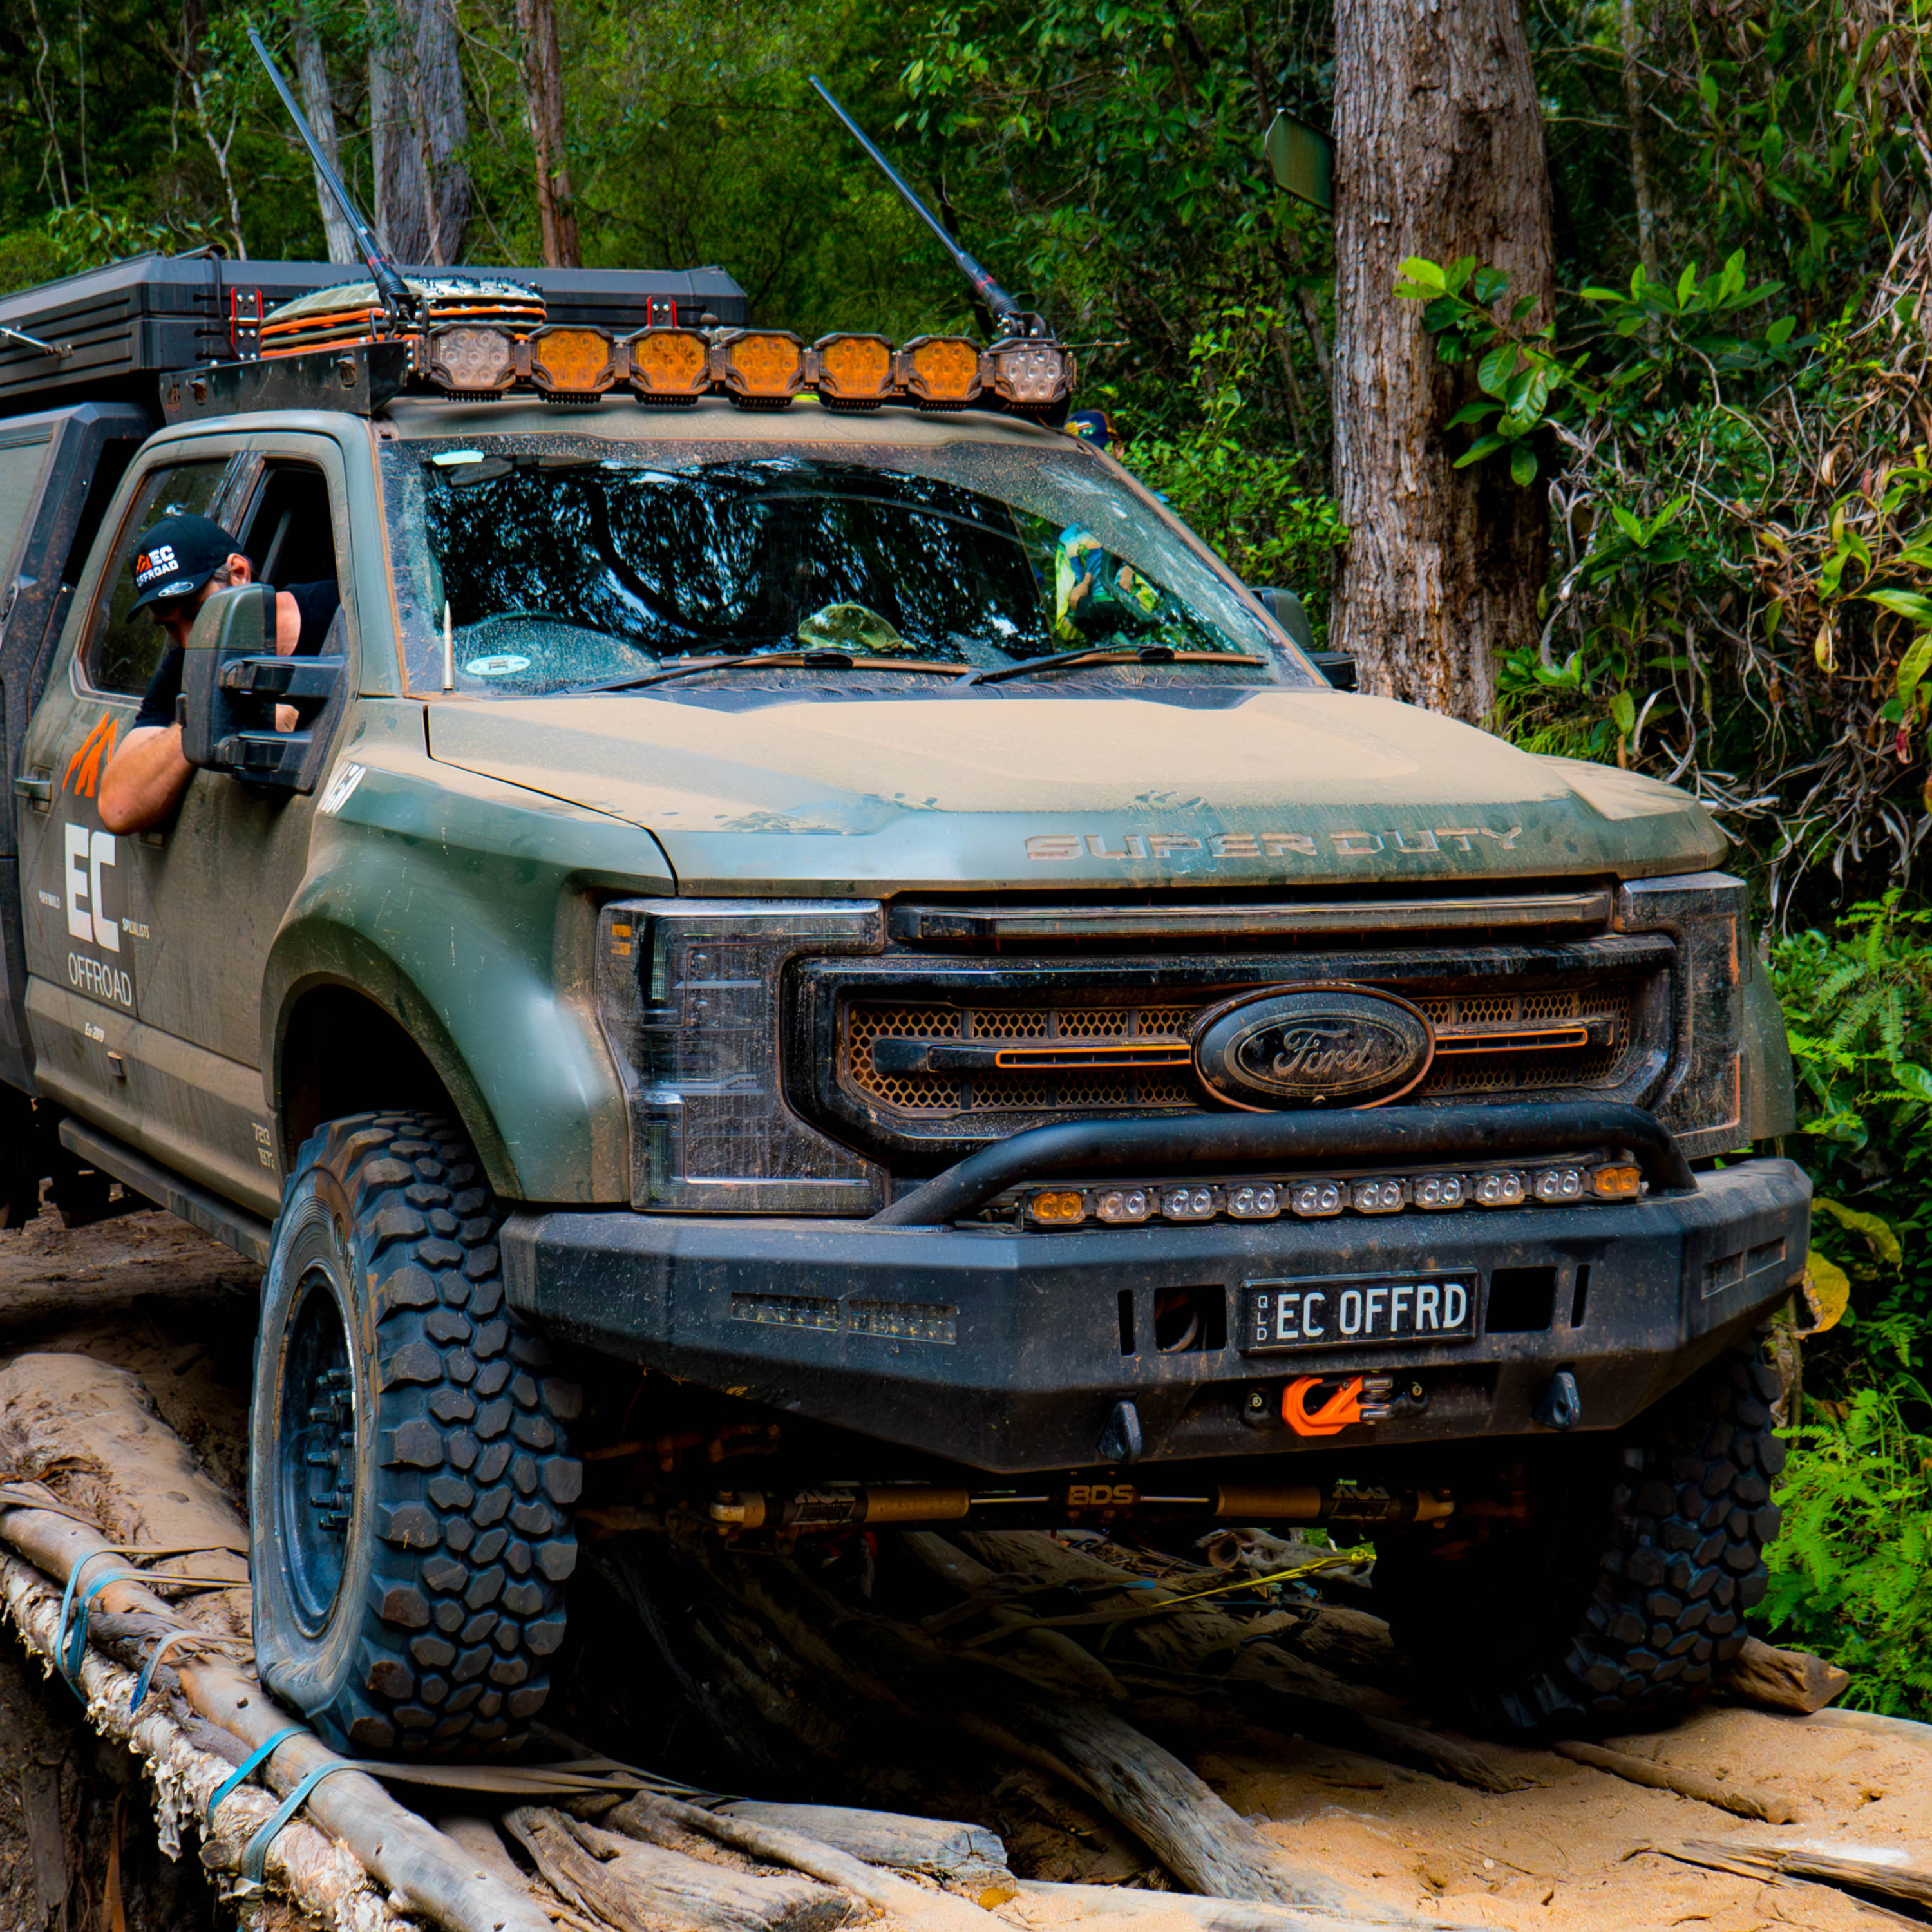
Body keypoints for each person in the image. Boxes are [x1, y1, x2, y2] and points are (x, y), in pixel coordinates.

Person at [96, 515, 339, 834]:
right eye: (170, 627)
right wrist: (208, 715)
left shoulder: (341, 612)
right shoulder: (182, 664)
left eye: (197, 613)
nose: (187, 640)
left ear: (239, 574)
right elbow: (118, 806)